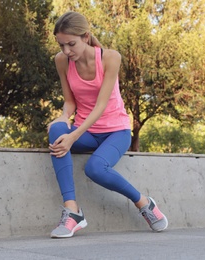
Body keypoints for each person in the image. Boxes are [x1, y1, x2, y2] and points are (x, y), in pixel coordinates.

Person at [47, 11, 168, 238]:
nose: (66, 51)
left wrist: (73, 136)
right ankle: (72, 211)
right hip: (87, 131)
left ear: (85, 37)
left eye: (71, 44)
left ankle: (144, 203)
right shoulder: (61, 61)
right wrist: (64, 118)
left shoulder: (110, 57)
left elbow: (101, 105)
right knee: (56, 129)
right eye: (61, 45)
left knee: (95, 169)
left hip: (116, 131)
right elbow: (69, 101)